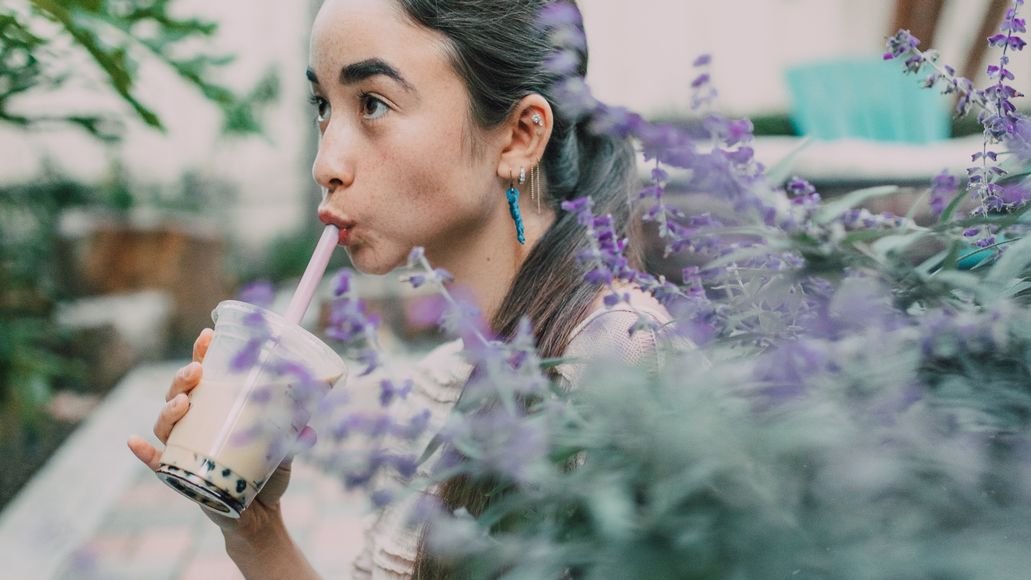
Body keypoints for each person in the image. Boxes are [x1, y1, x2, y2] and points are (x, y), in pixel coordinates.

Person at [127, 0, 671, 577]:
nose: (326, 163)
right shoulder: (446, 377)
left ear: (518, 136)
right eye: (323, 105)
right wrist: (256, 533)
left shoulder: (619, 361)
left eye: (373, 103)